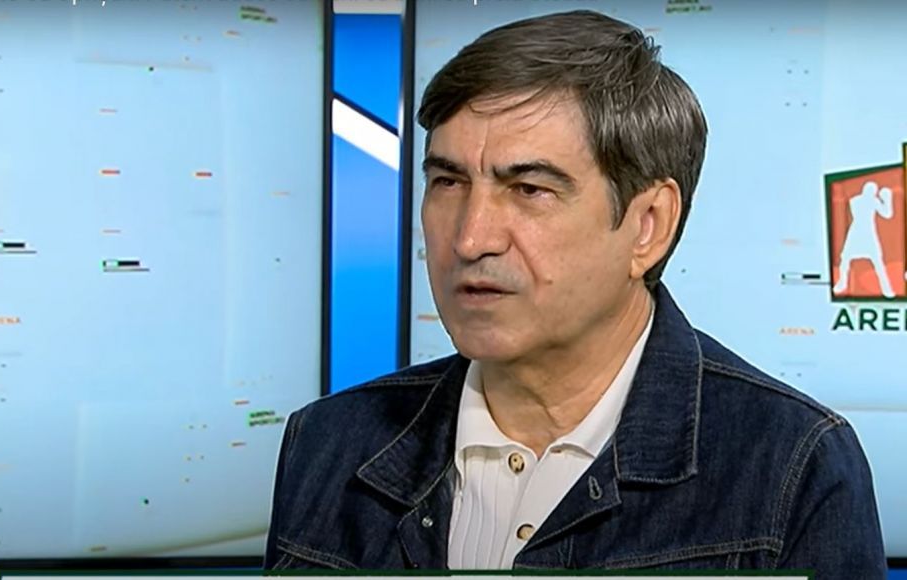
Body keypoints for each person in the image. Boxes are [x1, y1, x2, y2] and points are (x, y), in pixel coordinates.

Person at [265, 9, 886, 576]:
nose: (471, 238)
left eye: (529, 189)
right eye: (448, 182)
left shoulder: (792, 466)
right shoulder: (326, 444)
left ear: (648, 226)